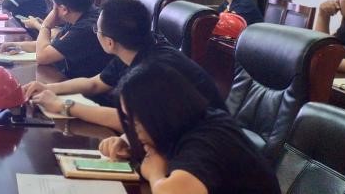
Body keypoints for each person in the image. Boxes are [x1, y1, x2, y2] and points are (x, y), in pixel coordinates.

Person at [23, 0, 224, 130]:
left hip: (205, 149)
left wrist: (63, 106)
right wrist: (47, 88)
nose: (95, 33)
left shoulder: (153, 70)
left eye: (97, 30)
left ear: (110, 42)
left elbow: (131, 122)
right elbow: (95, 83)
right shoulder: (137, 47)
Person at [98, 62, 279, 194]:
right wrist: (127, 142)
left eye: (137, 122)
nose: (133, 130)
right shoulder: (188, 121)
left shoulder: (206, 140)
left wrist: (154, 174)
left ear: (160, 115)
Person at [0, 0, 110, 78]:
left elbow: (42, 57)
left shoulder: (84, 28)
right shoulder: (81, 14)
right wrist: (16, 45)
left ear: (64, 9)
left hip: (84, 89)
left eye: (53, 3)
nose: (52, 9)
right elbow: (54, 45)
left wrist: (46, 26)